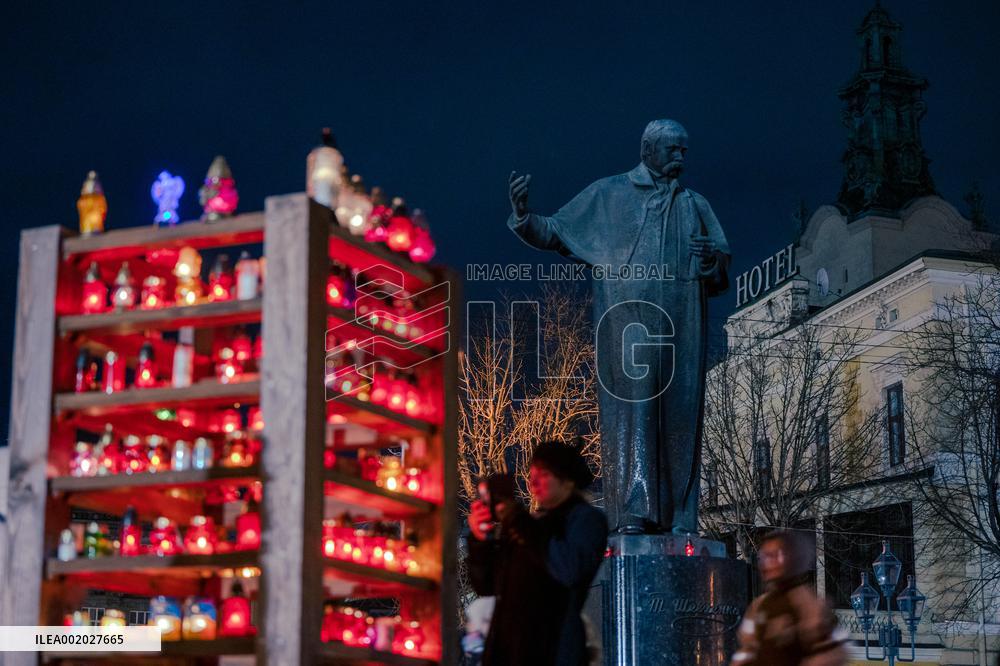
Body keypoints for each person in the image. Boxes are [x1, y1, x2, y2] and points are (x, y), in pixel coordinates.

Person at [507, 119, 731, 536]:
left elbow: (719, 269)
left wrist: (708, 260)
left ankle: (682, 517)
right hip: (629, 324)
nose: (681, 157)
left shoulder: (694, 205)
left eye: (684, 150)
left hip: (683, 323)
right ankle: (634, 511)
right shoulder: (609, 194)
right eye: (673, 149)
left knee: (681, 414)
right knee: (634, 412)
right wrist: (522, 216)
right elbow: (556, 231)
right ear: (647, 150)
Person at [466, 441, 608, 666]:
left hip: (552, 648)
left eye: (543, 474)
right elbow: (487, 585)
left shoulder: (585, 519)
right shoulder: (528, 525)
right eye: (531, 474)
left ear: (567, 479)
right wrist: (480, 540)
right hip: (510, 651)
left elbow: (569, 569)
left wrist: (519, 521)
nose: (533, 482)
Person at [732, 530, 848, 666]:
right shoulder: (758, 606)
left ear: (792, 558)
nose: (768, 563)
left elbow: (834, 652)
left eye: (775, 556)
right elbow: (747, 648)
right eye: (764, 557)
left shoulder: (806, 602)